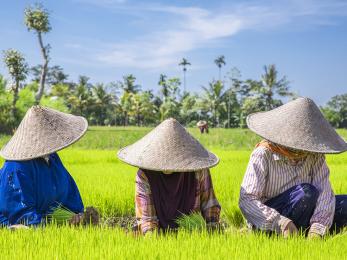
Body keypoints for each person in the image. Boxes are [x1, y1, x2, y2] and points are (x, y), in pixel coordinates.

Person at [239, 97, 347, 238]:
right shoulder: (263, 154)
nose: (302, 151)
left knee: (344, 203)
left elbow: (324, 192)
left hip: (306, 206)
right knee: (306, 193)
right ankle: (284, 235)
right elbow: (247, 199)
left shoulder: (314, 156)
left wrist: (318, 228)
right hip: (271, 217)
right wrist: (280, 222)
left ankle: (308, 234)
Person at [118, 118, 221, 235]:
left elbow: (210, 205)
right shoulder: (145, 175)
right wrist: (152, 239)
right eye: (163, 161)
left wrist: (212, 231)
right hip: (159, 233)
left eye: (172, 160)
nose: (166, 166)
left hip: (193, 234)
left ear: (181, 156)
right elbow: (147, 218)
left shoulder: (199, 170)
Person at [0, 106, 97, 228]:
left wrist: (76, 214)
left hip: (43, 221)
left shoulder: (52, 158)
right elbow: (20, 214)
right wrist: (48, 226)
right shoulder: (16, 167)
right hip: (14, 226)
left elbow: (68, 189)